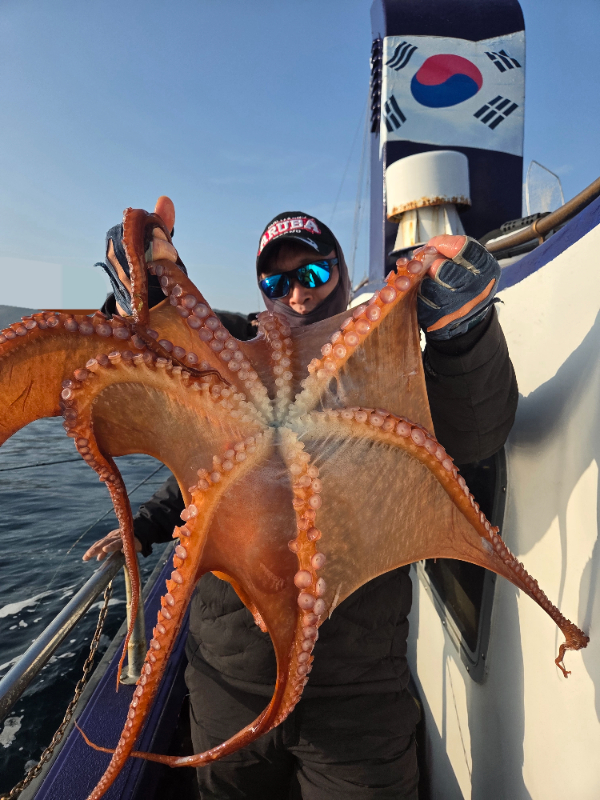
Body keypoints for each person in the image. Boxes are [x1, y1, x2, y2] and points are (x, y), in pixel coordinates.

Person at [84, 197, 517, 799]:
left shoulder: (386, 366)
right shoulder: (229, 355)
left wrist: (464, 341)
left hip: (358, 690)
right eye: (277, 281)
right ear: (262, 291)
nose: (298, 293)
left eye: (313, 272)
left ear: (340, 273)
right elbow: (193, 467)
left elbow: (475, 432)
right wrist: (144, 298)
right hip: (229, 679)